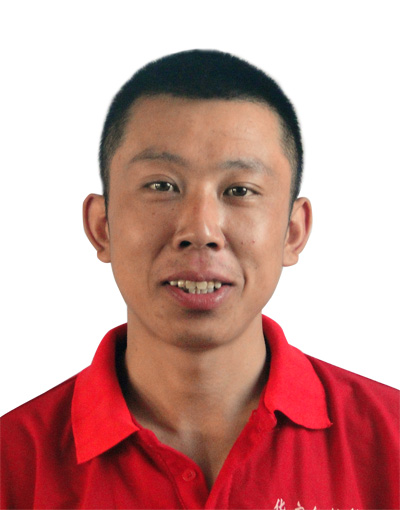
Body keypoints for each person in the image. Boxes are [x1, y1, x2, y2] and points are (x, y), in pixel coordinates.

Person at [1, 49, 398, 510]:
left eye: (239, 190)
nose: (201, 230)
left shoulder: (390, 442)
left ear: (293, 232)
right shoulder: (13, 465)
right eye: (161, 186)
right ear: (102, 226)